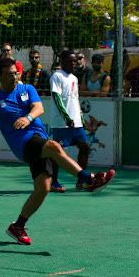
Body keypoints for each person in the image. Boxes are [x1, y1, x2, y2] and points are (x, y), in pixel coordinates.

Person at [0, 58, 115, 245]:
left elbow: (39, 108)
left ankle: (18, 226)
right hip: (22, 143)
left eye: (16, 73)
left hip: (38, 138)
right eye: (9, 74)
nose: (14, 77)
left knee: (43, 188)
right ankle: (90, 180)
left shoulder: (27, 89)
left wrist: (28, 118)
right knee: (54, 147)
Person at [47, 50, 92, 192]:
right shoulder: (57, 76)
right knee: (57, 153)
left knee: (85, 147)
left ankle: (81, 181)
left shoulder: (74, 78)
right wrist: (66, 117)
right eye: (71, 61)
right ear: (63, 62)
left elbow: (75, 99)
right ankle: (53, 182)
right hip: (61, 124)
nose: (74, 63)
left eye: (75, 61)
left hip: (76, 123)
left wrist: (81, 119)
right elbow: (57, 98)